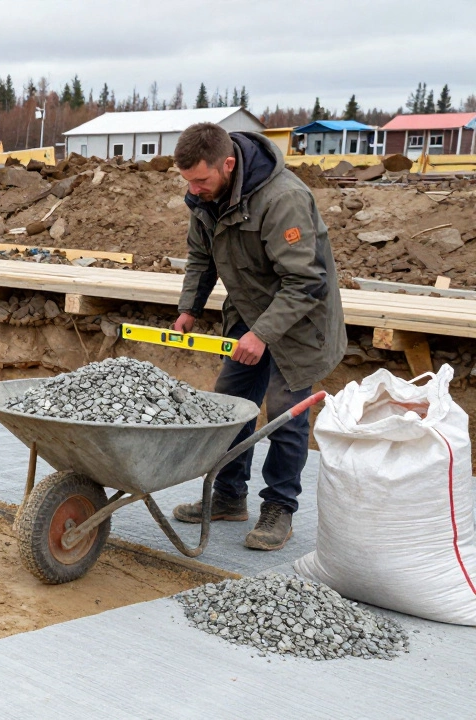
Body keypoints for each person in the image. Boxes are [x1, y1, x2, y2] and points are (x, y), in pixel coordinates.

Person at [169, 122, 346, 551]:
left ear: (228, 164)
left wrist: (264, 334)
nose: (194, 189)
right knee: (230, 406)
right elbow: (200, 257)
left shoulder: (282, 199)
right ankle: (229, 497)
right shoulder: (205, 198)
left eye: (201, 179)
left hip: (298, 319)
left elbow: (306, 281)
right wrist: (190, 308)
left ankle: (279, 509)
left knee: (285, 415)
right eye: (188, 180)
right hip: (249, 311)